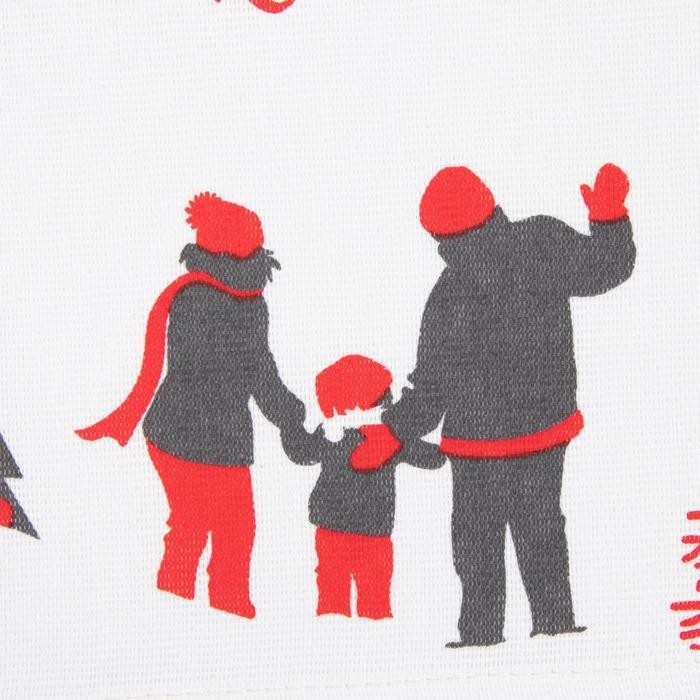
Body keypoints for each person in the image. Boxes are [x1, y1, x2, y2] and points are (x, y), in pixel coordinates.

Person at [382, 164, 636, 646]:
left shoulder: (447, 293)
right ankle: (555, 630)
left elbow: (430, 389)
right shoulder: (539, 242)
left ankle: (483, 640)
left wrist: (394, 429)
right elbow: (606, 267)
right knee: (539, 536)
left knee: (478, 547)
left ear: (440, 237)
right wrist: (609, 218)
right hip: (538, 434)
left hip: (479, 447)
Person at [76, 192, 306, 618]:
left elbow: (256, 369)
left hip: (183, 434)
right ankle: (214, 612)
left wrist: (287, 412)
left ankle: (196, 609)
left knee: (203, 528)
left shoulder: (223, 298)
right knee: (222, 530)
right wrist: (289, 413)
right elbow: (253, 371)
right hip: (198, 440)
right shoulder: (218, 302)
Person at [283, 354, 444, 619]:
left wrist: (290, 424)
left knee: (332, 592)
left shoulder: (331, 434)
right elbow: (431, 458)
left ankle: (332, 631)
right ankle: (375, 633)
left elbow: (300, 452)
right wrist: (449, 446)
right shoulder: (390, 438)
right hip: (375, 531)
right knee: (375, 597)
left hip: (330, 528)